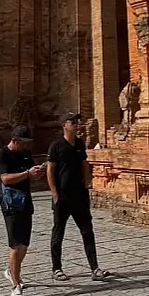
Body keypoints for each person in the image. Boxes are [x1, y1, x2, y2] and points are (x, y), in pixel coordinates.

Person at [47, 112, 110, 283]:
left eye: (77, 121)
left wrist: (88, 182)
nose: (76, 124)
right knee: (58, 233)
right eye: (72, 122)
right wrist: (54, 193)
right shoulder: (56, 146)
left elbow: (84, 164)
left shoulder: (80, 144)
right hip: (62, 196)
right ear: (64, 125)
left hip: (79, 195)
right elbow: (50, 170)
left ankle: (94, 268)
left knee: (87, 231)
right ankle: (57, 268)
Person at [0, 126, 44, 296]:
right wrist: (26, 174)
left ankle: (12, 271)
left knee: (24, 245)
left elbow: (30, 174)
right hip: (10, 204)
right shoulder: (2, 154)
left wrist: (37, 173)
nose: (27, 147)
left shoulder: (25, 154)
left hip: (25, 202)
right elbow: (5, 178)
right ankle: (16, 286)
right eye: (24, 143)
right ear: (15, 140)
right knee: (15, 246)